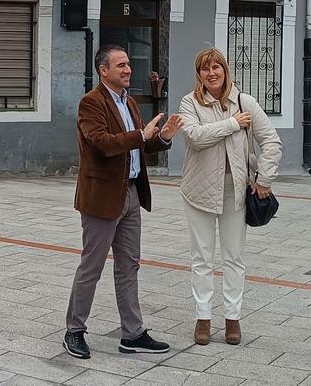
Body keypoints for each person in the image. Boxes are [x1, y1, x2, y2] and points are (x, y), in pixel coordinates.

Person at [64, 45, 183, 360]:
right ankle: (74, 330)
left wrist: (164, 137)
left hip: (130, 194)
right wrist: (141, 136)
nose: (128, 69)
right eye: (121, 65)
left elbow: (137, 147)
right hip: (102, 197)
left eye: (129, 64)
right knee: (92, 266)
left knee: (129, 266)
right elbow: (101, 144)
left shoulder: (129, 102)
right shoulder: (91, 103)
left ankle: (132, 334)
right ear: (103, 70)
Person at [177, 48, 281, 347]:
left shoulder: (245, 101)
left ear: (225, 70)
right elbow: (195, 138)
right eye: (205, 69)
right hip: (198, 190)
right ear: (199, 75)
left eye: (216, 67)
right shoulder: (190, 102)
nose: (212, 73)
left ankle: (233, 318)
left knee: (234, 257)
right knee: (202, 258)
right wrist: (233, 124)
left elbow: (271, 141)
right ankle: (203, 317)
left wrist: (264, 179)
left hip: (235, 190)